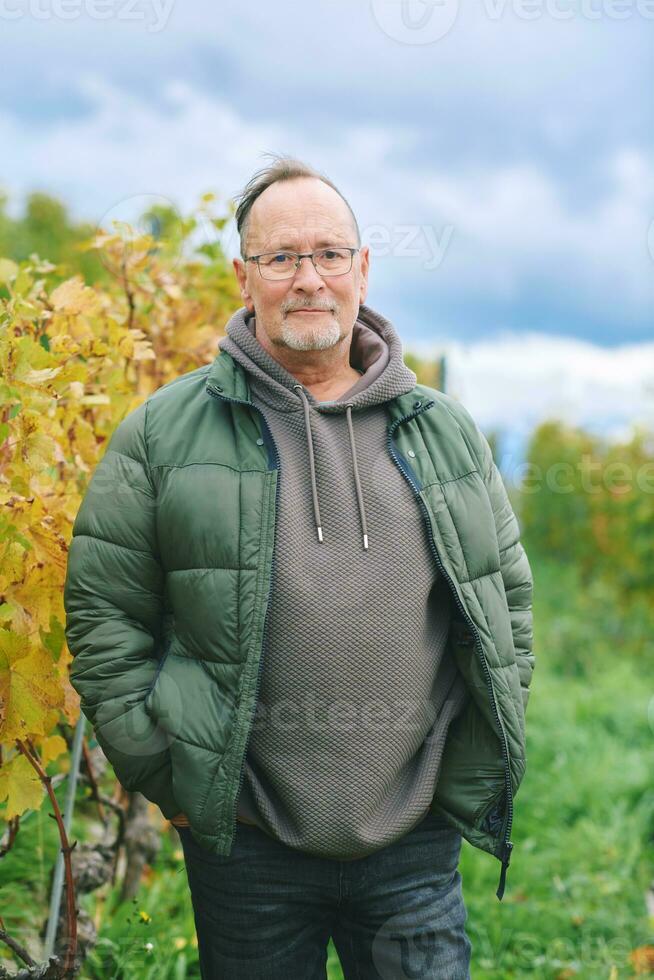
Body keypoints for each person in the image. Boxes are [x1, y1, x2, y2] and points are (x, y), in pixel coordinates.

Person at [64, 154, 534, 979]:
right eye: (281, 259)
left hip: (413, 845)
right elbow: (106, 616)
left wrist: (464, 756)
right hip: (249, 850)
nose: (307, 278)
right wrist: (170, 776)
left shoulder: (444, 432)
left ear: (362, 269)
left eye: (328, 254)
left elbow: (509, 603)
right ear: (245, 278)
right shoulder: (162, 433)